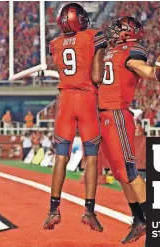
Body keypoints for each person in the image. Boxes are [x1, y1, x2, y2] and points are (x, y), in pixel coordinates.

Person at [99, 16, 160, 244]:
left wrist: (155, 72)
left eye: (117, 29)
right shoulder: (111, 51)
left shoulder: (131, 50)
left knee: (130, 172)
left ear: (127, 33)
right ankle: (139, 220)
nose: (112, 32)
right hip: (103, 114)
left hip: (116, 114)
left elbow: (138, 66)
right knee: (121, 174)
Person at [43, 3, 107, 231]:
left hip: (65, 102)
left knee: (60, 156)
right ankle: (89, 211)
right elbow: (97, 76)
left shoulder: (55, 43)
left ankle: (53, 210)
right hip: (87, 99)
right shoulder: (95, 36)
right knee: (91, 156)